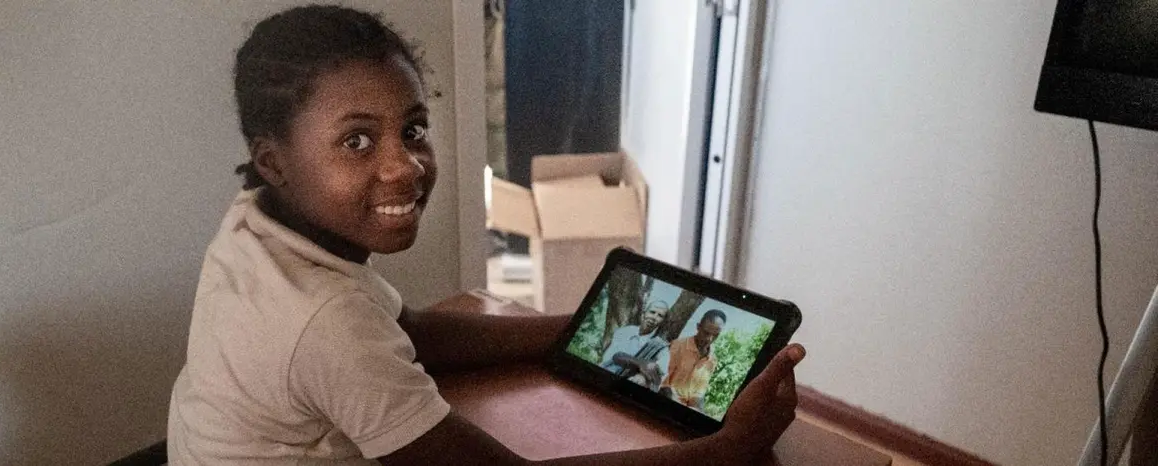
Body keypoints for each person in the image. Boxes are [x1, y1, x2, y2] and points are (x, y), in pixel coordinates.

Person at [167, 5, 805, 465]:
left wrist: (581, 328)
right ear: (273, 160)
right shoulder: (325, 323)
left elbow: (411, 331)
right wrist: (728, 449)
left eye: (413, 129)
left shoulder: (257, 225)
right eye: (355, 141)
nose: (403, 166)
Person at [658, 310, 728, 410]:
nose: (710, 339)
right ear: (698, 327)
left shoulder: (712, 361)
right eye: (706, 333)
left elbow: (698, 395)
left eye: (715, 335)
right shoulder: (678, 345)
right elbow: (663, 384)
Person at [600, 301, 670, 390]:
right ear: (644, 313)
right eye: (652, 312)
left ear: (663, 322)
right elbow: (616, 356)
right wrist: (641, 364)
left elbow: (661, 370)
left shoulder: (660, 346)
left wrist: (643, 376)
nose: (654, 317)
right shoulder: (625, 331)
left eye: (660, 316)